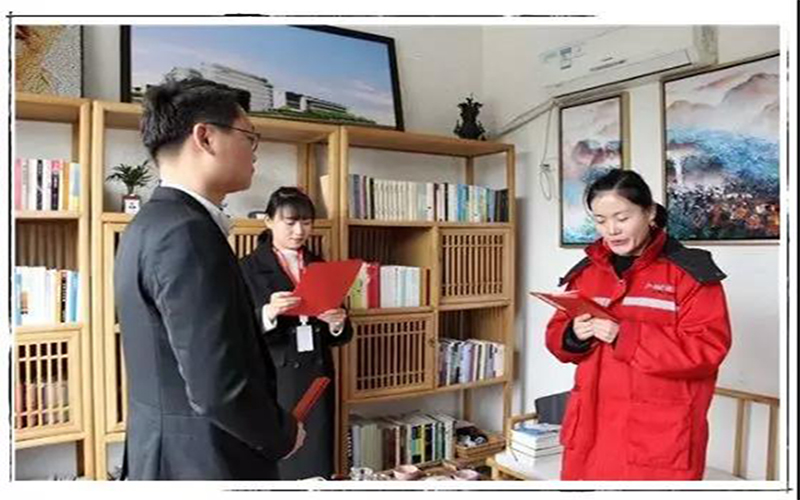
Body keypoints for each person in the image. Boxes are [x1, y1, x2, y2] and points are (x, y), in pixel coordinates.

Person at [114, 78, 305, 480]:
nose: (255, 151)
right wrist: (282, 434)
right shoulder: (186, 232)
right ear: (205, 137)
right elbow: (218, 388)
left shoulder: (150, 223)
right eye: (249, 136)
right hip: (205, 462)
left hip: (170, 453)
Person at [545, 168, 732, 480]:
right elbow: (556, 337)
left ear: (649, 213)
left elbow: (707, 349)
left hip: (658, 440)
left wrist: (625, 337)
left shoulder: (690, 274)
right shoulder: (587, 272)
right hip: (590, 434)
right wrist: (574, 335)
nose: (611, 230)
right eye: (600, 220)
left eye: (622, 217)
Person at [240, 187, 353, 480]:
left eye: (306, 223)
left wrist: (337, 322)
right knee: (281, 452)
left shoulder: (320, 265)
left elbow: (341, 333)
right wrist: (268, 312)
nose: (299, 231)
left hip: (317, 371)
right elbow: (236, 328)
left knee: (317, 450)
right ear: (268, 221)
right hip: (274, 374)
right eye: (290, 222)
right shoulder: (248, 267)